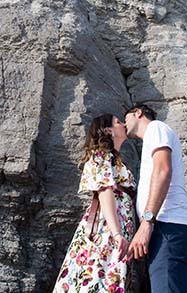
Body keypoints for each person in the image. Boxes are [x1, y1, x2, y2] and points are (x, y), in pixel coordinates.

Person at [53, 113, 137, 292]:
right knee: (99, 276)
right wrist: (116, 234)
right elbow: (105, 192)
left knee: (107, 277)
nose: (122, 124)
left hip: (118, 226)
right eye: (117, 122)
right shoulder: (101, 156)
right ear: (108, 130)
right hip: (107, 228)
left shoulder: (116, 160)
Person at [124, 104, 187, 293]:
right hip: (169, 227)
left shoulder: (156, 128)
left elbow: (163, 170)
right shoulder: (153, 135)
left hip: (168, 224)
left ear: (138, 113)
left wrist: (147, 222)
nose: (124, 124)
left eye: (125, 119)